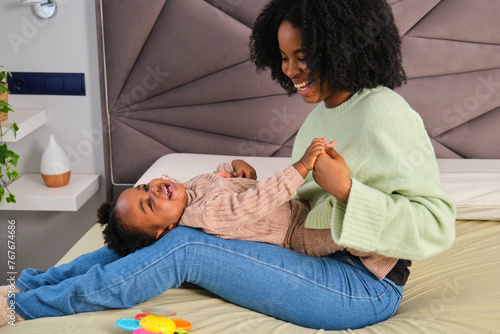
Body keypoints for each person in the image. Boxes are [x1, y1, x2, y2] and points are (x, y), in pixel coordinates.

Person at [1, 0, 456, 330]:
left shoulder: (386, 113)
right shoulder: (321, 113)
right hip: (306, 251)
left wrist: (348, 193)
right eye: (283, 58)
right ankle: (31, 284)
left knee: (186, 246)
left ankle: (28, 308)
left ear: (342, 45)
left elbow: (436, 224)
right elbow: (301, 208)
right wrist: (247, 187)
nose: (292, 72)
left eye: (303, 57)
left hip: (363, 285)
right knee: (164, 226)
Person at [99, 138, 345, 258]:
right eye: (150, 204)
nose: (153, 190)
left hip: (296, 206)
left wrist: (236, 166)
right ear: (164, 231)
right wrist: (301, 166)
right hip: (298, 232)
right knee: (350, 228)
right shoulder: (205, 214)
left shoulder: (186, 191)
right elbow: (257, 201)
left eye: (143, 187)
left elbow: (216, 176)